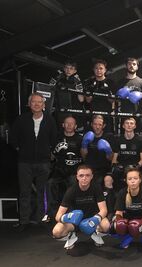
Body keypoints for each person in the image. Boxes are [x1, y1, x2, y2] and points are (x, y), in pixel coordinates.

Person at [10, 92, 57, 231]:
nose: (36, 104)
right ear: (29, 104)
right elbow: (13, 138)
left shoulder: (50, 120)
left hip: (43, 162)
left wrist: (49, 152)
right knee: (24, 192)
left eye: (39, 102)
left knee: (42, 192)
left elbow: (54, 138)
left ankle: (41, 219)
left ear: (44, 105)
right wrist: (21, 149)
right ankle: (24, 221)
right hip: (25, 162)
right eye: (33, 102)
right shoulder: (21, 119)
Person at [52, 165, 110, 249]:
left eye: (87, 175)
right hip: (75, 220)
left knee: (106, 226)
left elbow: (104, 210)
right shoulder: (71, 191)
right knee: (57, 232)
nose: (84, 178)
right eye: (81, 175)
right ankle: (71, 236)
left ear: (92, 176)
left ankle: (95, 232)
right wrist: (67, 217)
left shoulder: (96, 188)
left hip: (92, 217)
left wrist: (94, 219)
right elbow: (58, 216)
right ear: (77, 177)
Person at [112, 166, 142, 250]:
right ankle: (126, 237)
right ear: (126, 181)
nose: (132, 181)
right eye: (130, 179)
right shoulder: (122, 193)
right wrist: (119, 221)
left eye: (135, 178)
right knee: (114, 225)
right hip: (127, 219)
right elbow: (118, 212)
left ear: (140, 180)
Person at [48, 115, 82, 219]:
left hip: (74, 171)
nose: (69, 125)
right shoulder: (56, 137)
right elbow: (51, 154)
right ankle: (52, 214)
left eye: (72, 123)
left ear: (75, 126)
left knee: (72, 183)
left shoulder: (80, 139)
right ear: (63, 125)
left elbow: (84, 155)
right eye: (67, 123)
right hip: (59, 169)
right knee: (50, 183)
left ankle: (72, 214)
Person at [115, 57, 142, 135]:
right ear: (126, 66)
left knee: (140, 141)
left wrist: (139, 95)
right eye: (129, 64)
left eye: (134, 64)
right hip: (125, 116)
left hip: (138, 116)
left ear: (137, 67)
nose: (132, 66)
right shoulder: (120, 82)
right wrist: (119, 95)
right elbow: (115, 100)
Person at [112, 117, 142, 191]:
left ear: (135, 126)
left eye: (131, 123)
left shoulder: (140, 140)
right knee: (115, 173)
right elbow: (114, 160)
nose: (129, 125)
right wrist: (118, 166)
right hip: (122, 168)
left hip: (135, 167)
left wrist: (135, 167)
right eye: (127, 123)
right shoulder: (118, 139)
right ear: (123, 126)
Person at [49, 61, 85, 131]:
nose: (68, 70)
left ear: (75, 71)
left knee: (73, 131)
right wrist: (55, 79)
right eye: (67, 68)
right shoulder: (58, 78)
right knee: (60, 131)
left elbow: (81, 100)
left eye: (71, 68)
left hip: (73, 111)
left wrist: (78, 84)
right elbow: (48, 90)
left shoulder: (78, 81)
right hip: (60, 110)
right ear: (64, 69)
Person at [80, 115, 115, 187]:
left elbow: (111, 159)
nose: (97, 127)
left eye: (100, 125)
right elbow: (83, 156)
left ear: (104, 125)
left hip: (103, 169)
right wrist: (84, 144)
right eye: (95, 124)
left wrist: (108, 150)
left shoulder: (109, 136)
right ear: (91, 124)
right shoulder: (87, 135)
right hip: (89, 168)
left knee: (98, 181)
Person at [83, 59, 116, 132]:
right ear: (93, 70)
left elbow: (112, 101)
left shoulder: (110, 82)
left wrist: (107, 91)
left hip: (106, 114)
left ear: (105, 70)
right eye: (96, 68)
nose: (98, 70)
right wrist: (91, 89)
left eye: (101, 68)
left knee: (107, 136)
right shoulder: (89, 82)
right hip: (93, 113)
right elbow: (88, 100)